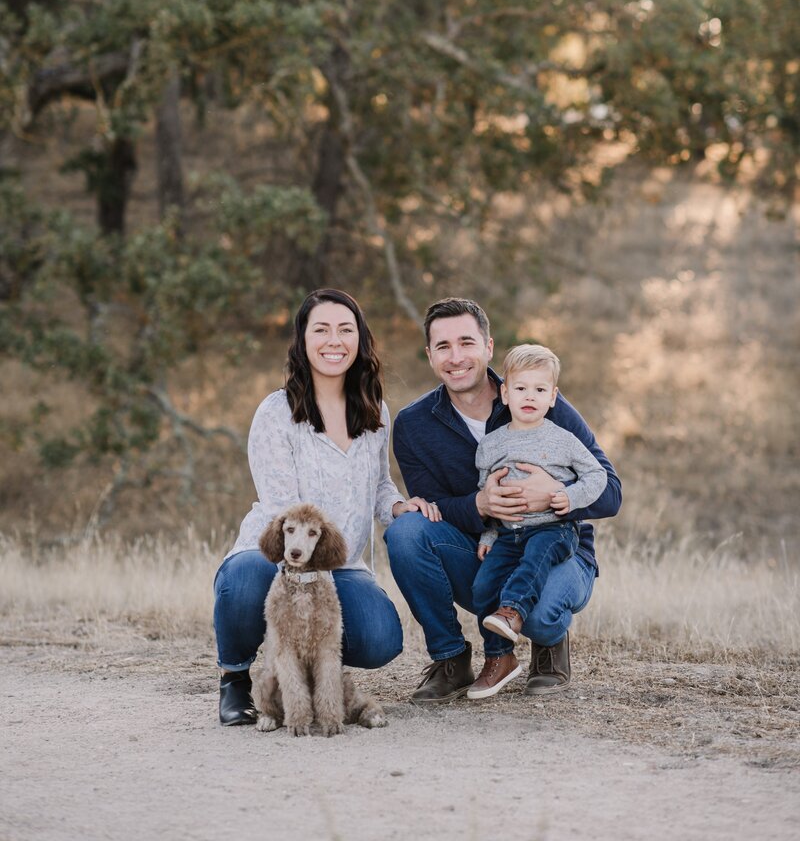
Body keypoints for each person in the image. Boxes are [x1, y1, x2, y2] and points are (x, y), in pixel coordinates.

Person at [213, 287, 439, 725]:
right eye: (321, 330)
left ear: (360, 340)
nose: (334, 341)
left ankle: (316, 672)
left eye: (345, 330)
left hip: (343, 565)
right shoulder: (276, 411)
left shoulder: (375, 411)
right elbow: (284, 514)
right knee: (242, 583)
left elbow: (379, 484)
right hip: (280, 557)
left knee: (380, 638)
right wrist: (305, 563)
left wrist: (396, 508)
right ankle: (236, 677)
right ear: (302, 341)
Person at [385, 297, 621, 704]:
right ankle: (451, 660)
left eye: (467, 343)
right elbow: (434, 506)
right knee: (406, 532)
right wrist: (481, 506)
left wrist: (552, 494)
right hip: (490, 545)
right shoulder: (413, 424)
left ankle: (549, 646)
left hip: (559, 548)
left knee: (543, 617)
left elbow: (611, 491)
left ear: (488, 347)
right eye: (443, 347)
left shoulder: (536, 396)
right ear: (429, 355)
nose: (456, 357)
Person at [468, 343, 607, 699]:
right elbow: (488, 490)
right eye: (521, 388)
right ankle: (499, 659)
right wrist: (488, 532)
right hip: (508, 533)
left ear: (553, 396)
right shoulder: (491, 444)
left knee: (535, 559)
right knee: (483, 586)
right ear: (504, 392)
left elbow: (598, 476)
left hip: (553, 529)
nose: (530, 396)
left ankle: (514, 611)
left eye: (540, 389)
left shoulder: (563, 439)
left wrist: (567, 496)